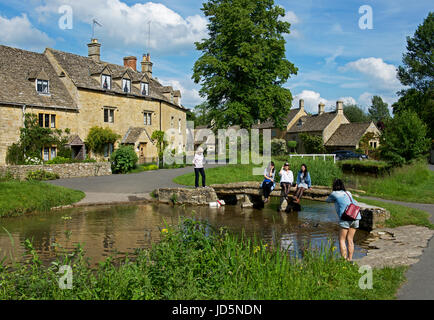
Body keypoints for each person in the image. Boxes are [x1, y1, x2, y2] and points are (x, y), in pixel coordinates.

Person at [326, 179, 361, 261]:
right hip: (355, 217)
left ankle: (344, 260)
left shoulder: (334, 193)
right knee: (350, 240)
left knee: (342, 240)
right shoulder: (348, 193)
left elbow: (327, 200)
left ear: (334, 186)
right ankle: (350, 259)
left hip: (345, 217)